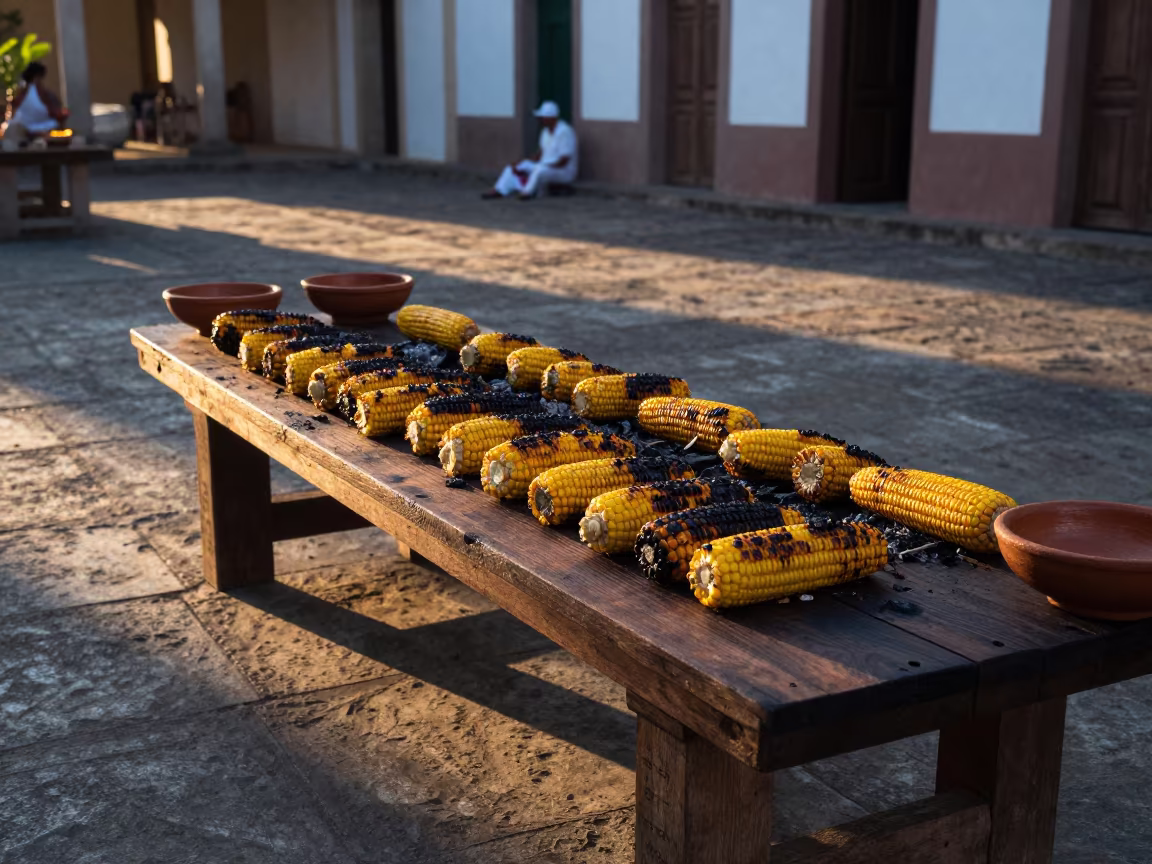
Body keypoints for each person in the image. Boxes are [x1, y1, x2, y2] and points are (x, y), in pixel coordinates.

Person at [484, 101, 577, 200]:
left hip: (563, 171)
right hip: (544, 167)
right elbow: (541, 153)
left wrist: (543, 165)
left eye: (543, 117)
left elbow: (564, 161)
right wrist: (523, 162)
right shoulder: (545, 131)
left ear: (552, 118)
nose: (540, 120)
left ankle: (526, 193)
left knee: (539, 169)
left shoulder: (565, 132)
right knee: (514, 167)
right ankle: (499, 190)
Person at [1, 61, 69, 144]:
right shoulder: (41, 92)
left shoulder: (20, 91)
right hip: (32, 128)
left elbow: (12, 109)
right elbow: (54, 112)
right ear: (38, 76)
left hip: (26, 127)